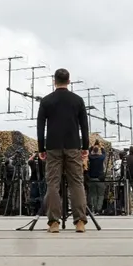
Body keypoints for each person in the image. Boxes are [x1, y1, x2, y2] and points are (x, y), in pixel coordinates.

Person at [36, 68, 90, 233]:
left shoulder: (46, 101)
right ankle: (80, 221)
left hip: (53, 146)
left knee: (53, 183)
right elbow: (84, 126)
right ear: (69, 81)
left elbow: (40, 126)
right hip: (73, 145)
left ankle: (54, 223)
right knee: (76, 183)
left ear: (54, 81)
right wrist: (85, 146)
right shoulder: (77, 100)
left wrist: (41, 148)